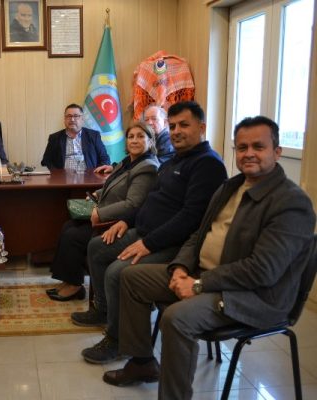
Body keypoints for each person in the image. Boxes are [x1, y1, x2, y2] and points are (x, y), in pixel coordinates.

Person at [105, 116, 316, 399]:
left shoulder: (291, 203)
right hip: (204, 276)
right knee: (131, 277)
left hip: (254, 296)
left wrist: (198, 284)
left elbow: (263, 270)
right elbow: (198, 234)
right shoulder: (230, 187)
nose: (249, 154)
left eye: (258, 147)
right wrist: (180, 267)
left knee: (176, 318)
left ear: (277, 152)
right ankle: (142, 362)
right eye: (242, 147)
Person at [71, 101, 228, 364]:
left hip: (173, 245)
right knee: (97, 247)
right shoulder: (173, 161)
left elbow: (191, 219)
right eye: (173, 126)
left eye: (184, 125)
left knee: (117, 272)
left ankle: (117, 340)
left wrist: (148, 244)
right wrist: (126, 221)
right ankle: (104, 310)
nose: (176, 131)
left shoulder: (208, 165)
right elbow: (148, 200)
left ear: (201, 128)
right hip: (143, 232)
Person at [47, 123, 160, 301]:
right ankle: (69, 281)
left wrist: (101, 214)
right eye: (131, 136)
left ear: (150, 141)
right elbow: (113, 185)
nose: (134, 140)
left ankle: (75, 286)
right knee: (68, 226)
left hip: (117, 223)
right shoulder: (128, 161)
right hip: (104, 212)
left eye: (140, 136)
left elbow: (133, 204)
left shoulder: (147, 167)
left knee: (73, 236)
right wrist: (97, 194)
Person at [41, 104, 111, 171]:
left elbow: (105, 159)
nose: (72, 119)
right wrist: (57, 174)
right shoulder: (54, 138)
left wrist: (97, 174)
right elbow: (46, 161)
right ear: (64, 119)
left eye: (76, 116)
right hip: (62, 177)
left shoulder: (94, 135)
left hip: (89, 176)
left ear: (82, 119)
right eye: (69, 116)